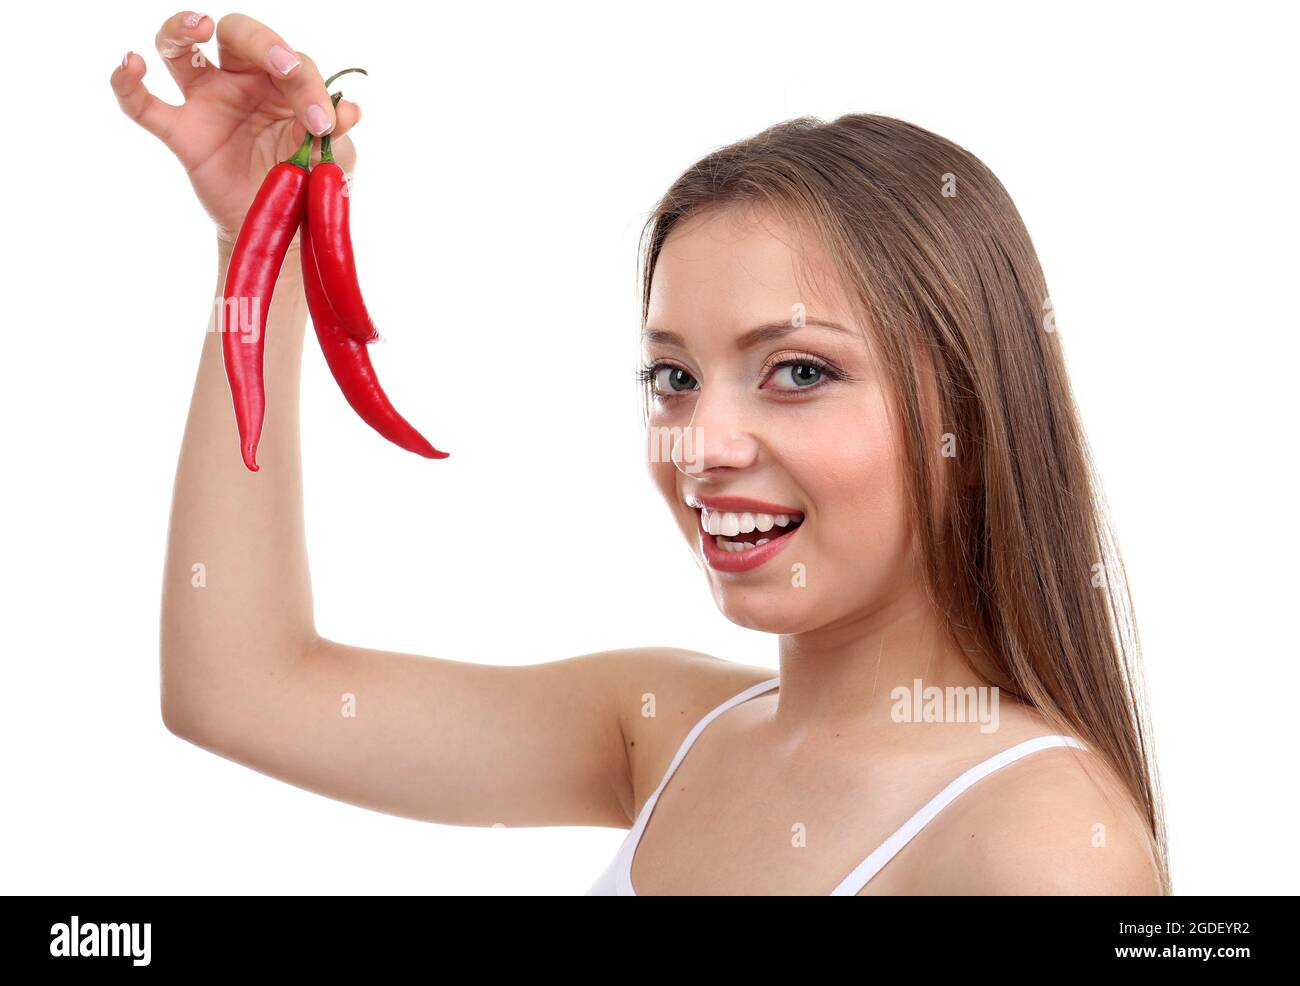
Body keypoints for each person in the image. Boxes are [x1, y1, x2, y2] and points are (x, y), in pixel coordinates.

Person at [111, 10, 1169, 895]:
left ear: (971, 429)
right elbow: (239, 687)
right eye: (673, 376)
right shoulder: (664, 727)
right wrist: (264, 245)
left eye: (798, 370)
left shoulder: (1039, 840)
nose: (701, 445)